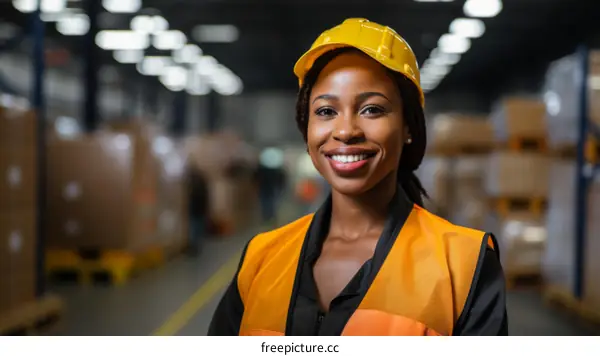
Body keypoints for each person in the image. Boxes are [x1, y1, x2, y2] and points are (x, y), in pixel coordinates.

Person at [208, 18, 508, 336]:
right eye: (325, 111)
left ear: (408, 127)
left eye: (372, 110)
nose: (346, 131)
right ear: (306, 127)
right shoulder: (261, 258)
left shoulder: (463, 264)